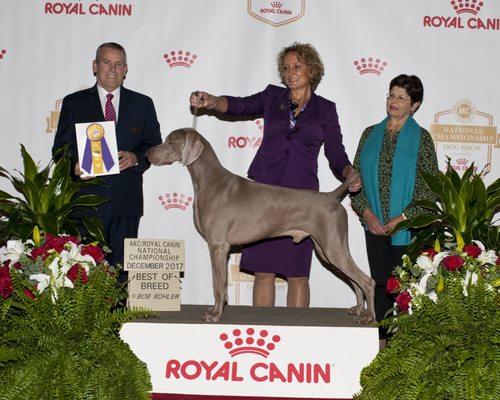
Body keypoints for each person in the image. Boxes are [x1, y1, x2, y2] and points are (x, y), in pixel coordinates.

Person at [189, 42, 361, 308]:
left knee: (298, 275)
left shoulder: (325, 109)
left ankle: (298, 336)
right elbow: (239, 106)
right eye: (285, 68)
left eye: (297, 67)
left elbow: (335, 153)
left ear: (312, 70)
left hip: (300, 198)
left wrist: (348, 172)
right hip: (262, 196)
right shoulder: (272, 97)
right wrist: (212, 101)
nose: (290, 73)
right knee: (264, 272)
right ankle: (262, 329)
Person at [52, 42, 162, 282]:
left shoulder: (143, 104)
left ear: (126, 69)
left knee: (122, 274)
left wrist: (136, 158)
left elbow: (154, 146)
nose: (112, 69)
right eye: (106, 62)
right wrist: (73, 165)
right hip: (85, 205)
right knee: (81, 273)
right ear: (95, 66)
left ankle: (120, 321)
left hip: (126, 203)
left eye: (118, 64)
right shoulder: (74, 102)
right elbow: (61, 149)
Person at [351, 74, 438, 343]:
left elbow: (429, 187)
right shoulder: (369, 134)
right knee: (379, 283)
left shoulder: (421, 138)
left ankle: (404, 345)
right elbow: (355, 182)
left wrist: (401, 218)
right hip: (373, 223)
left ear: (415, 105)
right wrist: (367, 214)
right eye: (391, 95)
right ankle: (381, 342)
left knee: (403, 286)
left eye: (401, 97)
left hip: (408, 228)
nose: (394, 101)